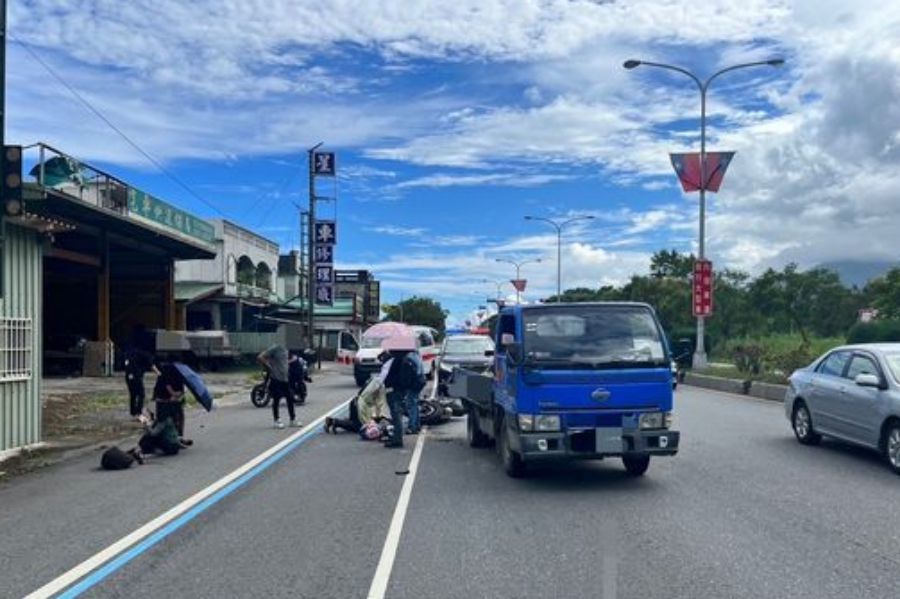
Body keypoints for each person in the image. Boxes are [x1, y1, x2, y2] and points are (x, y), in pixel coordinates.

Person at [258, 344, 301, 429]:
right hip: (275, 378)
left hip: (285, 378)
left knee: (290, 398)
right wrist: (269, 367)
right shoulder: (275, 348)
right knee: (276, 399)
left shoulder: (285, 349)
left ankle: (292, 419)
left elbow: (286, 361)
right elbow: (260, 357)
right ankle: (277, 420)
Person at [382, 349, 419, 448]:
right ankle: (397, 437)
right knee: (397, 413)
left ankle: (397, 439)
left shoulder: (396, 360)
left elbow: (386, 375)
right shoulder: (406, 359)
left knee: (396, 414)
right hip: (401, 390)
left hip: (394, 390)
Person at [152, 361, 187, 439]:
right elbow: (171, 387)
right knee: (177, 418)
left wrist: (176, 394)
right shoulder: (178, 372)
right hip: (169, 400)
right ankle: (178, 436)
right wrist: (175, 394)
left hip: (163, 399)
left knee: (162, 420)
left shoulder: (164, 371)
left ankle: (167, 437)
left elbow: (167, 385)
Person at [124, 343, 157, 421]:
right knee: (141, 394)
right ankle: (139, 412)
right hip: (136, 375)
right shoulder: (146, 354)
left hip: (128, 375)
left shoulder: (131, 352)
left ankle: (133, 412)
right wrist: (159, 373)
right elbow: (152, 366)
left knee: (133, 394)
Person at [404, 351, 426, 435]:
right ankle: (416, 425)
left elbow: (414, 372)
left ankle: (412, 426)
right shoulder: (416, 354)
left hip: (414, 382)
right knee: (415, 403)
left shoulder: (409, 357)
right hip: (420, 381)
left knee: (411, 404)